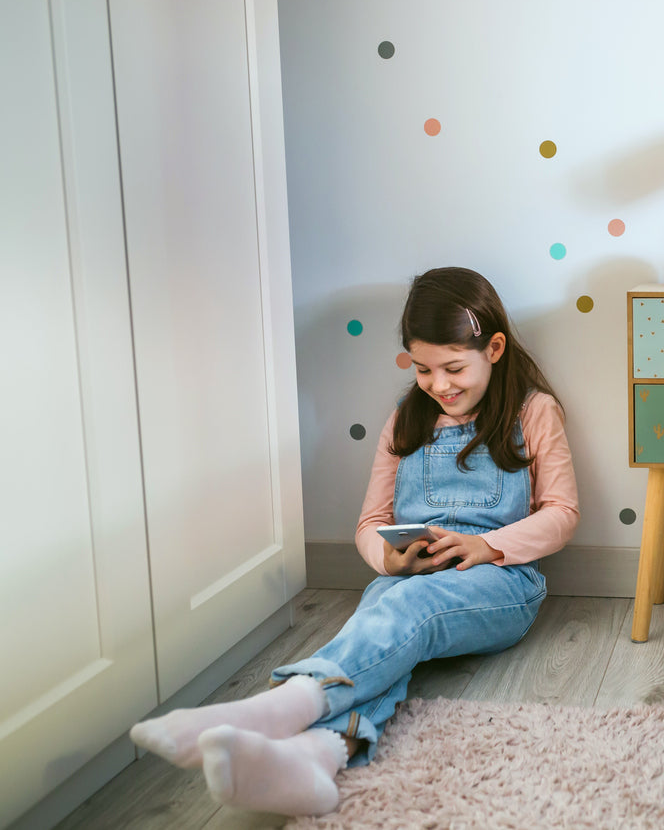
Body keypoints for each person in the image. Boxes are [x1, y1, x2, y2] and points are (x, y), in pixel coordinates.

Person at [129, 267, 579, 816]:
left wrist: (487, 547)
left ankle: (282, 704)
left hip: (504, 581)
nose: (439, 384)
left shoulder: (532, 412)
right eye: (423, 369)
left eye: (454, 367)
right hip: (411, 578)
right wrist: (385, 558)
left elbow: (562, 514)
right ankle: (321, 753)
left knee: (405, 610)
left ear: (495, 348)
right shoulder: (404, 421)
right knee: (383, 627)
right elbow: (371, 522)